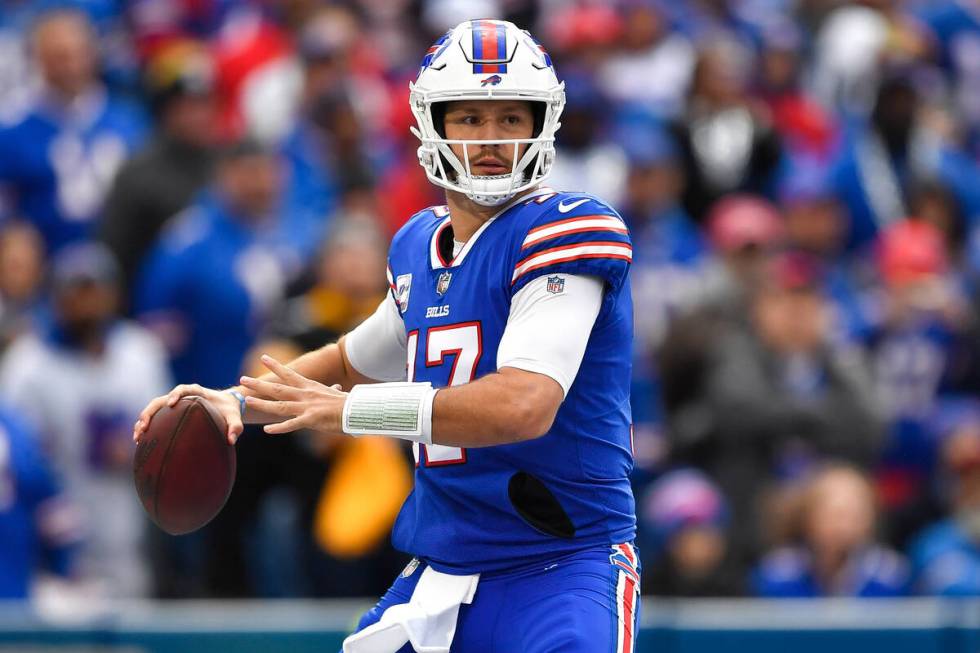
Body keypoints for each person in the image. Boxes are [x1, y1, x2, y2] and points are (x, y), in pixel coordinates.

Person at [135, 19, 638, 653]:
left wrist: (351, 415)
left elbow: (523, 404)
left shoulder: (568, 229)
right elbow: (352, 359)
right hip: (444, 569)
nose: (491, 140)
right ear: (433, 125)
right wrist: (233, 403)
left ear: (543, 126)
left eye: (512, 119)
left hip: (561, 570)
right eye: (471, 118)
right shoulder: (418, 245)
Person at [1, 242, 170, 598]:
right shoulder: (28, 366)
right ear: (56, 296)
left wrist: (140, 450)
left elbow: (169, 437)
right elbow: (18, 460)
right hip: (56, 548)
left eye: (95, 290)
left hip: (128, 537)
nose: (87, 302)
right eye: (77, 291)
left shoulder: (140, 353)